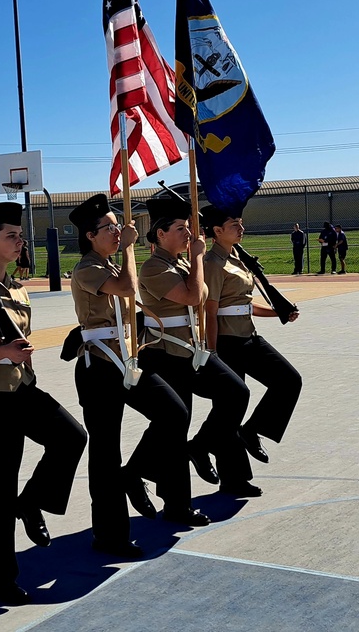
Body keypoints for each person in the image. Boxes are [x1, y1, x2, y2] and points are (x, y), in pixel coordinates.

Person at [0, 201, 87, 606]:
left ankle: (30, 503)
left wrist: (13, 354)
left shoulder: (16, 288)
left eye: (19, 234)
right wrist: (5, 351)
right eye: (11, 235)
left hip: (21, 390)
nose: (19, 240)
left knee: (71, 437)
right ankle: (0, 579)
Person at [69, 194, 195, 556]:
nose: (117, 231)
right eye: (109, 228)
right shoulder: (87, 267)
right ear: (91, 236)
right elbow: (127, 288)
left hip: (127, 360)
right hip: (100, 366)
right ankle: (110, 536)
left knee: (174, 412)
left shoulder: (108, 265)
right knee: (105, 451)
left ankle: (134, 473)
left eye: (116, 226)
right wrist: (127, 249)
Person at [138, 197, 257, 503]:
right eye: (180, 228)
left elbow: (200, 296)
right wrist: (199, 259)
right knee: (177, 424)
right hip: (168, 354)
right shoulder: (153, 267)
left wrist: (194, 260)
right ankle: (172, 497)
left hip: (193, 351)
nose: (189, 234)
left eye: (189, 227)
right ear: (160, 234)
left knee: (235, 392)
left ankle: (203, 445)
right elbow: (193, 296)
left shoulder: (181, 262)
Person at [201, 206, 303, 472]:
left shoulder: (237, 258)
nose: (241, 228)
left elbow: (243, 304)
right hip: (226, 342)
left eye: (241, 223)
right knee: (228, 411)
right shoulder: (212, 264)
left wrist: (278, 312)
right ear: (217, 231)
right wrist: (211, 353)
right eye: (234, 224)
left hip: (248, 337)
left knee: (289, 381)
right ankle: (233, 476)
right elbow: (210, 312)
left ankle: (253, 430)